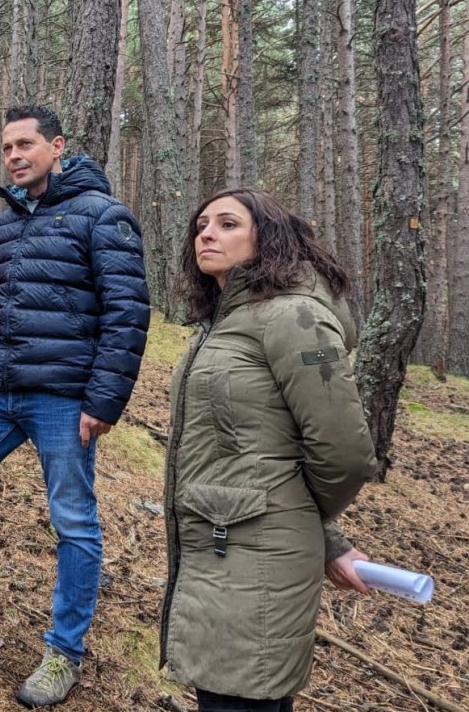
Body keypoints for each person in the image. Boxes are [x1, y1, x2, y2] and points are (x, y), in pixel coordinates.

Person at [0, 105, 151, 708]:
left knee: (73, 521)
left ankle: (64, 652)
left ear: (56, 147)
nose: (14, 156)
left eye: (25, 145)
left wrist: (104, 401)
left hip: (65, 401)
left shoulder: (103, 216)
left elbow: (127, 315)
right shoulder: (7, 222)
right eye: (7, 147)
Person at [160, 187, 378, 711]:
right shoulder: (227, 321)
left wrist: (299, 519)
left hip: (254, 561)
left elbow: (344, 454)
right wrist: (326, 536)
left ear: (269, 240)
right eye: (202, 224)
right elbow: (258, 453)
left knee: (242, 696)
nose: (206, 233)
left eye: (228, 224)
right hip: (222, 551)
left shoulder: (291, 319)